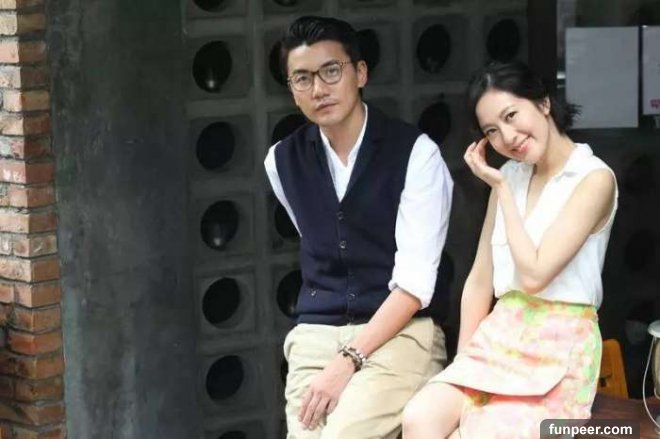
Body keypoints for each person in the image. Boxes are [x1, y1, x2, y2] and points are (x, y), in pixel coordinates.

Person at [402, 61, 618, 439]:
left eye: (511, 116)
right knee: (420, 417)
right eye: (492, 130)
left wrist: (501, 189)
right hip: (498, 337)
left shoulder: (593, 178)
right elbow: (479, 281)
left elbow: (535, 275)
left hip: (560, 344)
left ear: (543, 103)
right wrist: (464, 367)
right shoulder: (510, 176)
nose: (508, 137)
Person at [264, 15, 454, 439]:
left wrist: (347, 361)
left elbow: (415, 285)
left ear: (360, 73)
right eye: (302, 78)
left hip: (401, 333)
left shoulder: (416, 154)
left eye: (331, 71)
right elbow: (319, 236)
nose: (319, 89)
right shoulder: (280, 161)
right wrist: (333, 360)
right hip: (316, 336)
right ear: (292, 90)